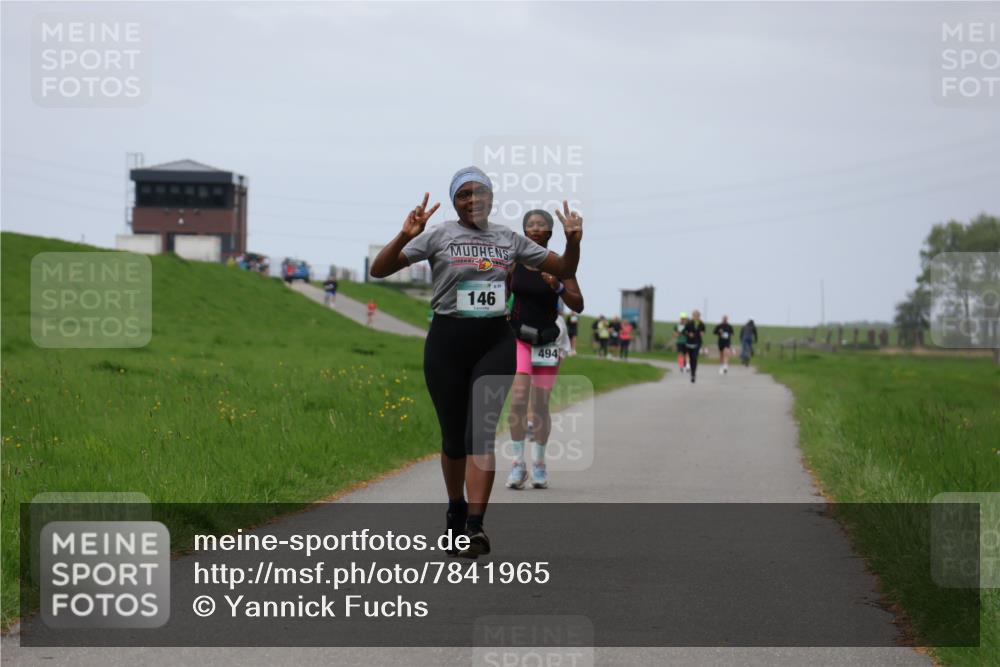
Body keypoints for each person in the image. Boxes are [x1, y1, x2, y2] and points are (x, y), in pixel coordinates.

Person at [369, 166, 582, 558]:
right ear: (455, 201)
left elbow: (565, 270)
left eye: (479, 192)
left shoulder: (508, 238)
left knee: (479, 435)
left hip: (494, 343)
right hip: (446, 343)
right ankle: (456, 509)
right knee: (453, 440)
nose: (472, 200)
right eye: (463, 194)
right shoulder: (439, 235)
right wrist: (405, 234)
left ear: (491, 197)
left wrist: (573, 242)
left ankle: (475, 527)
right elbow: (379, 269)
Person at [505, 210, 584, 491]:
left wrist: (558, 286)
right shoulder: (514, 263)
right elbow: (502, 291)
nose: (535, 228)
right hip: (519, 338)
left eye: (541, 225)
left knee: (539, 405)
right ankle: (517, 463)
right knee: (518, 399)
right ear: (524, 231)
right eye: (530, 225)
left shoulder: (560, 264)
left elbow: (578, 304)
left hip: (548, 340)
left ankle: (538, 463)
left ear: (550, 232)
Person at [683, 309, 706, 383]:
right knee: (690, 358)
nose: (696, 317)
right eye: (694, 316)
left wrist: (700, 333)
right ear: (692, 316)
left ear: (699, 316)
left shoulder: (701, 324)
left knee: (694, 358)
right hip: (689, 343)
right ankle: (689, 367)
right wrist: (688, 334)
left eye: (697, 316)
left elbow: (703, 332)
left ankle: (693, 374)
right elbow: (684, 331)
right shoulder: (689, 323)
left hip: (697, 343)